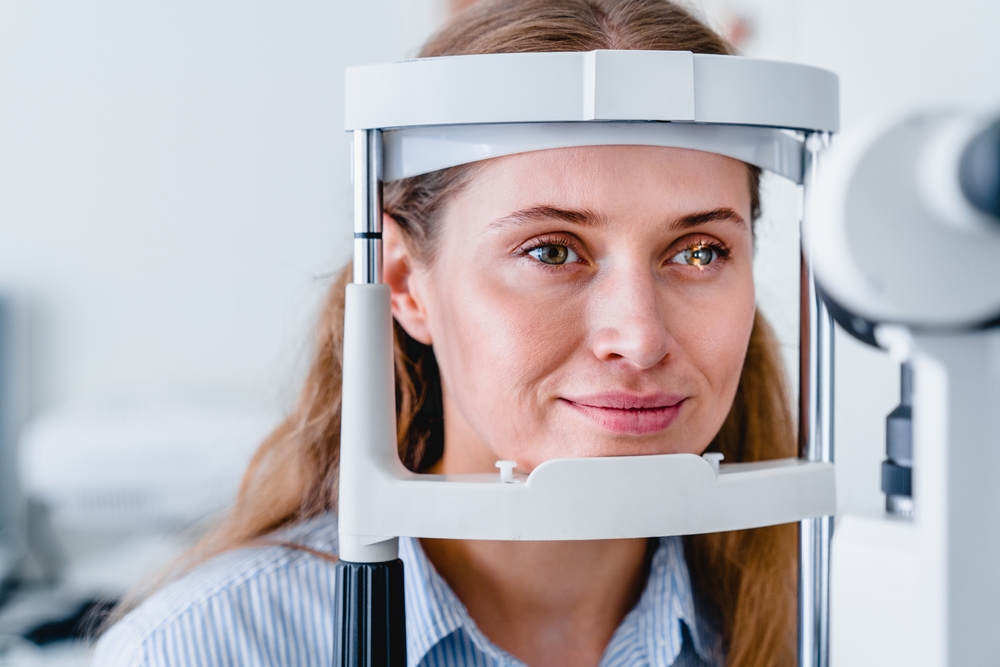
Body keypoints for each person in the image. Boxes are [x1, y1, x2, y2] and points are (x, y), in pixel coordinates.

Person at [93, 1, 798, 665]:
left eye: (699, 251)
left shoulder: (831, 620)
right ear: (403, 281)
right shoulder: (200, 647)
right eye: (551, 250)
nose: (640, 338)